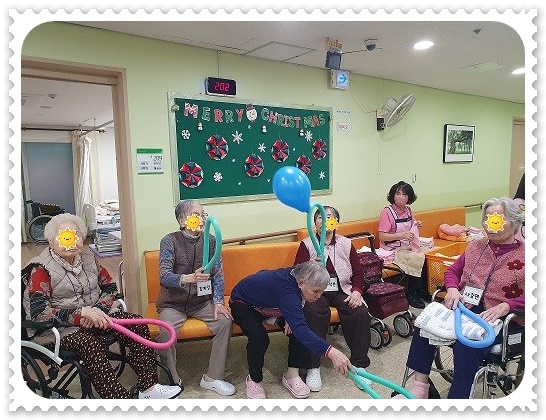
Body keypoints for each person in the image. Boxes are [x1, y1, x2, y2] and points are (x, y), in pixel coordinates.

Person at [22, 213, 182, 399]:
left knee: (137, 323)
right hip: (58, 331)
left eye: (75, 236)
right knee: (90, 344)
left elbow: (110, 287)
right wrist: (82, 314)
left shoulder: (88, 257)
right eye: (64, 237)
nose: (71, 242)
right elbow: (40, 314)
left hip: (97, 317)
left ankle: (149, 389)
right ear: (51, 241)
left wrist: (98, 311)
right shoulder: (40, 269)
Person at [394, 197, 524, 399]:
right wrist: (453, 289)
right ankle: (420, 389)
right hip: (465, 308)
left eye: (497, 219)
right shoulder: (475, 247)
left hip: (502, 318)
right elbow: (452, 272)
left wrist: (507, 305)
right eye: (487, 219)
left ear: (515, 223)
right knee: (424, 324)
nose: (490, 225)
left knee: (467, 345)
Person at [229, 260, 353, 399]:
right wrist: (332, 352)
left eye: (321, 292)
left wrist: (291, 315)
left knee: (298, 330)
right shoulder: (287, 290)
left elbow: (298, 320)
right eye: (316, 291)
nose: (319, 296)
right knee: (260, 339)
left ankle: (291, 374)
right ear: (301, 283)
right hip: (244, 303)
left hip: (273, 305)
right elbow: (298, 323)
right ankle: (254, 380)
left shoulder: (299, 274)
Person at [155, 199, 236, 396]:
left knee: (225, 321)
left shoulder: (211, 241)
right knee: (166, 333)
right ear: (182, 221)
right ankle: (172, 380)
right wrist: (188, 278)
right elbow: (164, 276)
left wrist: (218, 302)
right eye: (196, 215)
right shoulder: (169, 241)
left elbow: (218, 274)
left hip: (201, 302)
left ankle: (213, 377)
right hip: (172, 304)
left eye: (203, 214)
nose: (202, 218)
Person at [294, 205, 371, 392]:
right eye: (320, 217)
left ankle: (359, 365)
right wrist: (309, 266)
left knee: (359, 311)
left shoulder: (345, 243)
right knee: (312, 311)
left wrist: (357, 292)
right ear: (315, 224)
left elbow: (358, 273)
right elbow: (296, 273)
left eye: (329, 217)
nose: (324, 220)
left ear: (336, 222)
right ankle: (313, 367)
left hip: (341, 289)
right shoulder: (307, 244)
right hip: (315, 290)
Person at [378, 180, 426, 309]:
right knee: (415, 258)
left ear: (409, 197)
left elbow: (412, 229)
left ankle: (421, 290)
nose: (401, 197)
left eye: (404, 194)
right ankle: (411, 294)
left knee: (426, 254)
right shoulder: (387, 212)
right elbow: (382, 236)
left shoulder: (408, 210)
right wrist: (401, 235)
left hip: (406, 245)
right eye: (398, 194)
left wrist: (417, 225)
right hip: (391, 248)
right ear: (392, 195)